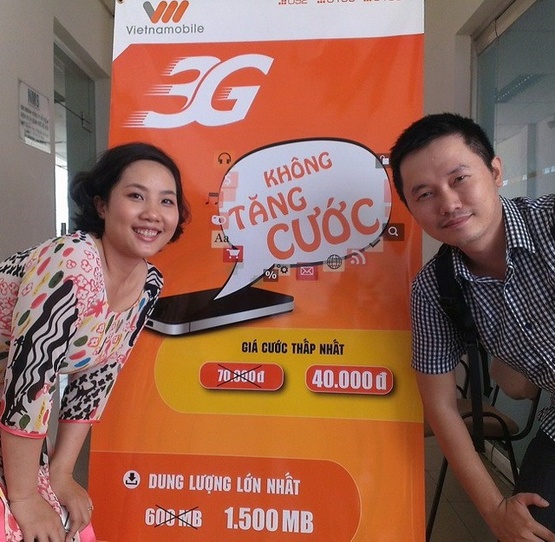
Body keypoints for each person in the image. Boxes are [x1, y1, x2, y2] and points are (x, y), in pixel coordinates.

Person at [0, 142, 190, 542]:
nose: (152, 213)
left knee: (63, 524)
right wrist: (24, 496)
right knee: (17, 526)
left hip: (10, 402)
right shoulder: (72, 260)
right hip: (14, 392)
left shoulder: (149, 284)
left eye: (166, 201)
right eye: (136, 196)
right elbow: (30, 379)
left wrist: (60, 473)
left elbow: (97, 377)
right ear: (102, 205)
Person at [390, 113, 555, 542]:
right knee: (531, 527)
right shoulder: (434, 290)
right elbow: (442, 406)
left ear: (495, 172)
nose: (448, 203)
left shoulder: (550, 224)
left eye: (459, 178)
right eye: (425, 194)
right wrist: (496, 511)